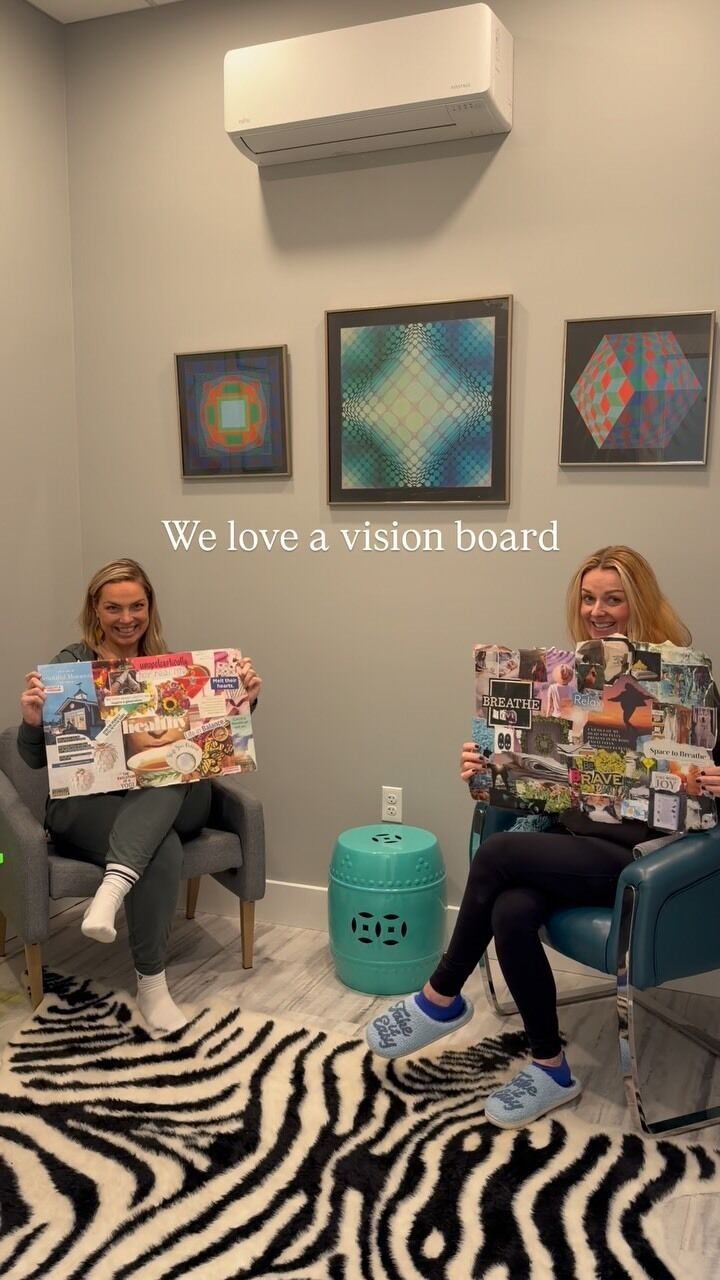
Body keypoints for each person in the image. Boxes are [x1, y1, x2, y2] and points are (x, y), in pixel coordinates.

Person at [366, 546, 720, 1128]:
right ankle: (550, 1066)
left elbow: (706, 781)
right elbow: (535, 784)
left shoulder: (687, 679)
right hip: (574, 843)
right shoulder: (568, 679)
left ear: (640, 602)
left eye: (613, 599)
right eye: (588, 599)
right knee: (511, 910)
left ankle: (441, 994)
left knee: (500, 853)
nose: (597, 611)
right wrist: (484, 771)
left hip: (644, 860)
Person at [18, 558, 262, 1037]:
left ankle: (112, 887)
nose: (126, 618)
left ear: (150, 606)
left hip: (173, 797)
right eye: (114, 607)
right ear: (95, 608)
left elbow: (215, 744)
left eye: (137, 606)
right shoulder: (70, 665)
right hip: (90, 806)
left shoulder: (169, 667)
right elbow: (33, 760)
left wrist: (244, 701)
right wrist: (32, 723)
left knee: (175, 761)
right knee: (160, 846)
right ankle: (152, 985)